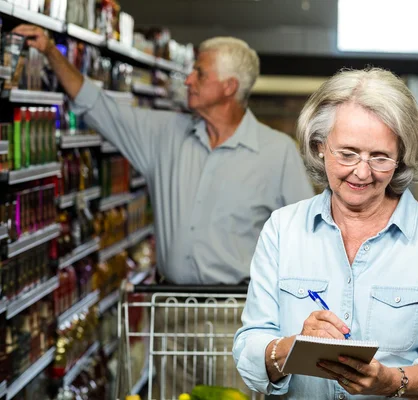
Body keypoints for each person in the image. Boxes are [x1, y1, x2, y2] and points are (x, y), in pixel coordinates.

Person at [14, 25, 314, 397]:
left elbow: (307, 243)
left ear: (229, 86)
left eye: (199, 72)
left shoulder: (277, 152)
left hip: (238, 319)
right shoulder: (165, 136)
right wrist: (51, 53)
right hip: (170, 310)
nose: (187, 79)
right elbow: (100, 106)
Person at [233, 68, 418, 399]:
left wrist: (394, 381)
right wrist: (290, 349)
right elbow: (250, 344)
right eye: (347, 154)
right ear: (320, 146)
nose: (362, 173)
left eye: (380, 157)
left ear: (401, 158)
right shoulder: (283, 230)